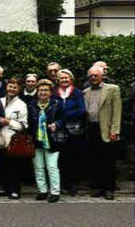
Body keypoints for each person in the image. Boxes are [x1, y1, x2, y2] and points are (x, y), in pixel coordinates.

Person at [84, 66, 122, 200]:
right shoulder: (85, 92)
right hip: (91, 129)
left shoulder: (112, 89)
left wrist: (115, 130)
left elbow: (117, 111)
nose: (93, 78)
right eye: (91, 76)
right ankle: (97, 187)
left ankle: (109, 189)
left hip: (106, 130)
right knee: (94, 160)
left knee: (108, 161)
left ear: (102, 76)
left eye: (95, 75)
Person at [27, 79, 64, 203]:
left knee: (52, 167)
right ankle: (42, 191)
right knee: (38, 167)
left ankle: (55, 192)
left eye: (46, 90)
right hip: (36, 140)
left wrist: (56, 124)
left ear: (50, 92)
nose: (43, 92)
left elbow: (63, 119)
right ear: (37, 91)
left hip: (52, 140)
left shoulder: (57, 104)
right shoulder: (32, 105)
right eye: (41, 90)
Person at [54, 69, 86, 197]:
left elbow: (81, 110)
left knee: (73, 157)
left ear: (71, 79)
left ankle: (73, 184)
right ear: (58, 80)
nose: (64, 80)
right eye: (62, 78)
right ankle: (62, 183)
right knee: (61, 157)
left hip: (74, 129)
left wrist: (65, 115)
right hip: (59, 129)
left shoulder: (77, 92)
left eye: (66, 78)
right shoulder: (54, 93)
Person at [0, 78, 28, 199]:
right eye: (10, 87)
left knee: (14, 166)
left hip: (13, 138)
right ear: (6, 87)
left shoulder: (22, 105)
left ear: (18, 90)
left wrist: (8, 122)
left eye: (15, 87)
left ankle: (15, 190)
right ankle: (5, 188)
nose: (12, 89)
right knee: (2, 164)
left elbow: (24, 125)